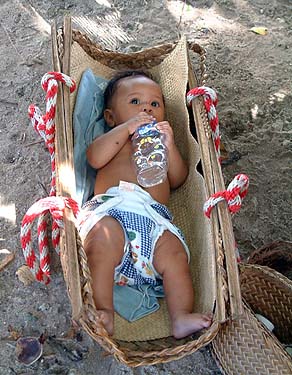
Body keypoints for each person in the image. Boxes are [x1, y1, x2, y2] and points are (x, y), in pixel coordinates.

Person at [79, 70, 212, 339]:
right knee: (102, 240)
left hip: (152, 220)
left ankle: (180, 316)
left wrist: (170, 146)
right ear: (110, 116)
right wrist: (125, 130)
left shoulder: (160, 146)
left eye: (155, 104)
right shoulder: (114, 141)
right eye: (135, 103)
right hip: (112, 209)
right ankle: (103, 310)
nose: (147, 109)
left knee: (174, 255)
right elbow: (94, 158)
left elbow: (178, 178)